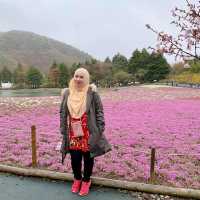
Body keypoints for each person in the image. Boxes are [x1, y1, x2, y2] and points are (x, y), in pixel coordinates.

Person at [60, 67, 111, 196]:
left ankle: (86, 181)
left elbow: (99, 111)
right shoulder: (67, 93)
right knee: (75, 159)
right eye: (76, 76)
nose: (78, 79)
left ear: (86, 78)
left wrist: (100, 128)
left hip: (89, 131)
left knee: (88, 158)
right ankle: (77, 179)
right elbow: (62, 112)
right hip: (73, 131)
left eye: (81, 77)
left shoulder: (92, 93)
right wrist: (62, 128)